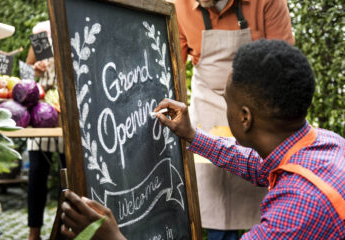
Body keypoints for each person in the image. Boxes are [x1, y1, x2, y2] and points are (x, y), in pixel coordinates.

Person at [60, 39, 345, 239]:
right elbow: (254, 163)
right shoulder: (323, 144)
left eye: (226, 100)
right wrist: (193, 135)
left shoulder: (298, 206)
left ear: (245, 117)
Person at [174, 0, 294, 238]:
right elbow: (170, 62)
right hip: (207, 107)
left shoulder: (267, 3)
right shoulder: (179, 5)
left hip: (257, 107)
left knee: (264, 191)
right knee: (215, 202)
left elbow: (284, 64)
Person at [25, 20, 65, 240]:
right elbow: (27, 72)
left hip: (69, 115)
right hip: (42, 112)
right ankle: (34, 234)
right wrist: (35, 69)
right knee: (36, 173)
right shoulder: (42, 32)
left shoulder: (79, 23)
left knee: (67, 176)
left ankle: (61, 232)